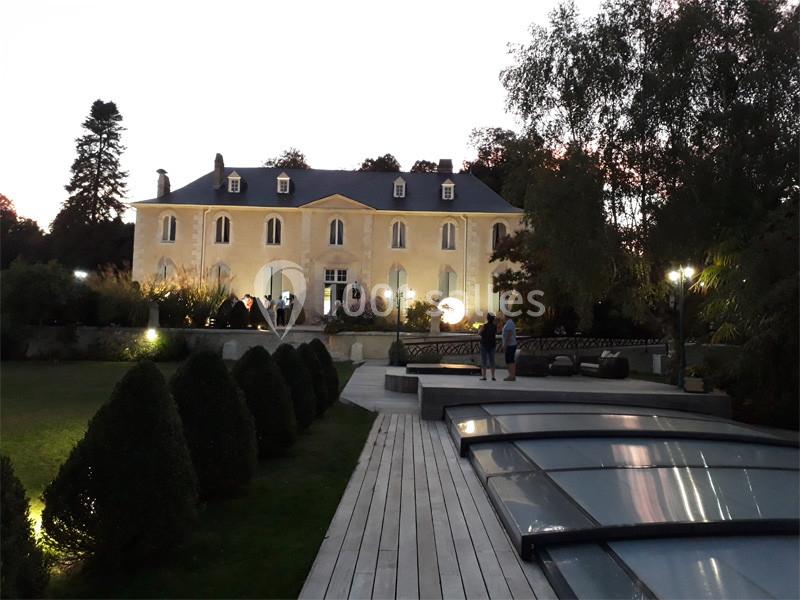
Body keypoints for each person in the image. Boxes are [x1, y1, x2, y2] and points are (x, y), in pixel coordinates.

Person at [479, 313, 497, 381]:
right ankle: (493, 376)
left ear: (487, 318)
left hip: (484, 344)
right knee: (492, 360)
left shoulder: (484, 326)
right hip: (492, 344)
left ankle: (484, 376)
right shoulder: (494, 326)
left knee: (484, 361)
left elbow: (479, 333)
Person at [502, 316, 518, 381]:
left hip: (510, 345)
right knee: (509, 360)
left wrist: (505, 344)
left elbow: (509, 333)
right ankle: (511, 375)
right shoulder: (508, 323)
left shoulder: (509, 323)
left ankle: (512, 375)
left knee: (510, 360)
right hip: (510, 344)